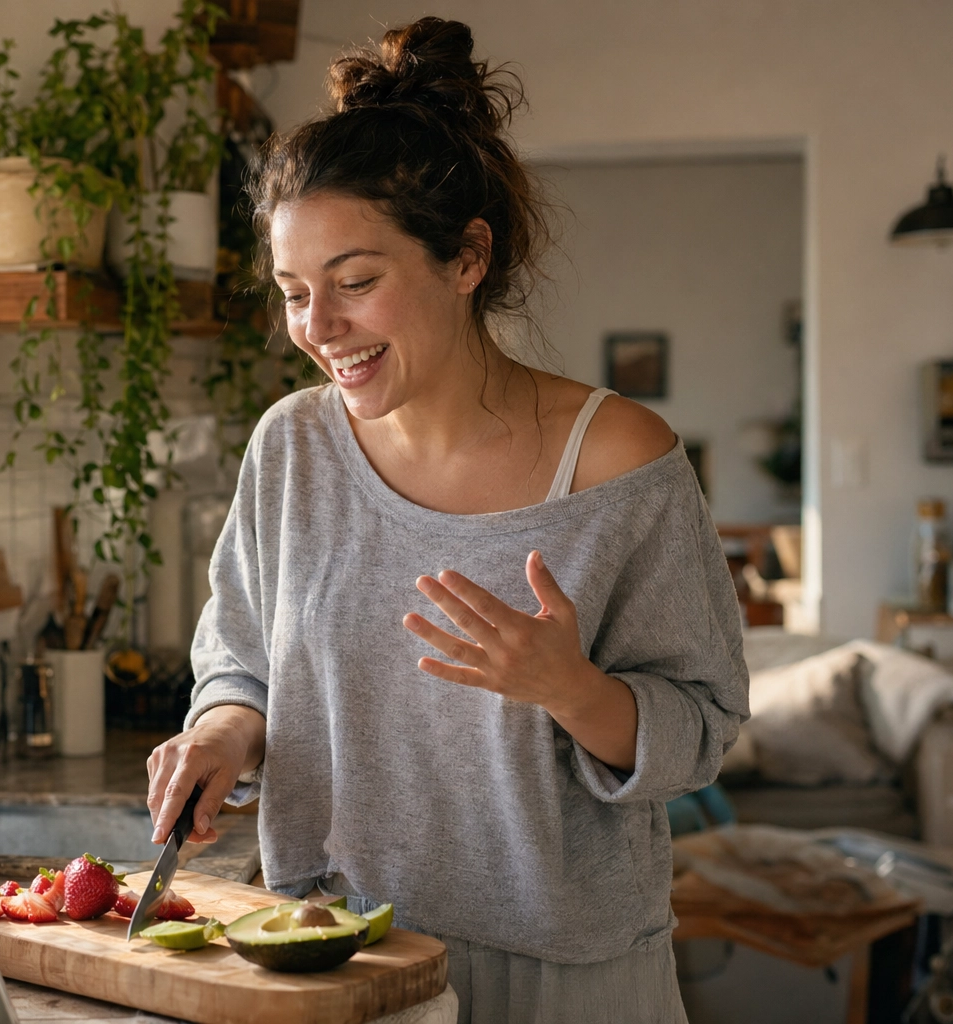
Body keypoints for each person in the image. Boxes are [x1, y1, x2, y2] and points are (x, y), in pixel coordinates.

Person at [143, 16, 750, 1024]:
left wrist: (573, 690)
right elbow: (242, 658)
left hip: (561, 972)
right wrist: (220, 732)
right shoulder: (291, 448)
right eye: (294, 293)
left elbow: (703, 724)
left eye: (357, 282)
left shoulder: (618, 461)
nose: (319, 328)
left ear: (467, 257)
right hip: (324, 957)